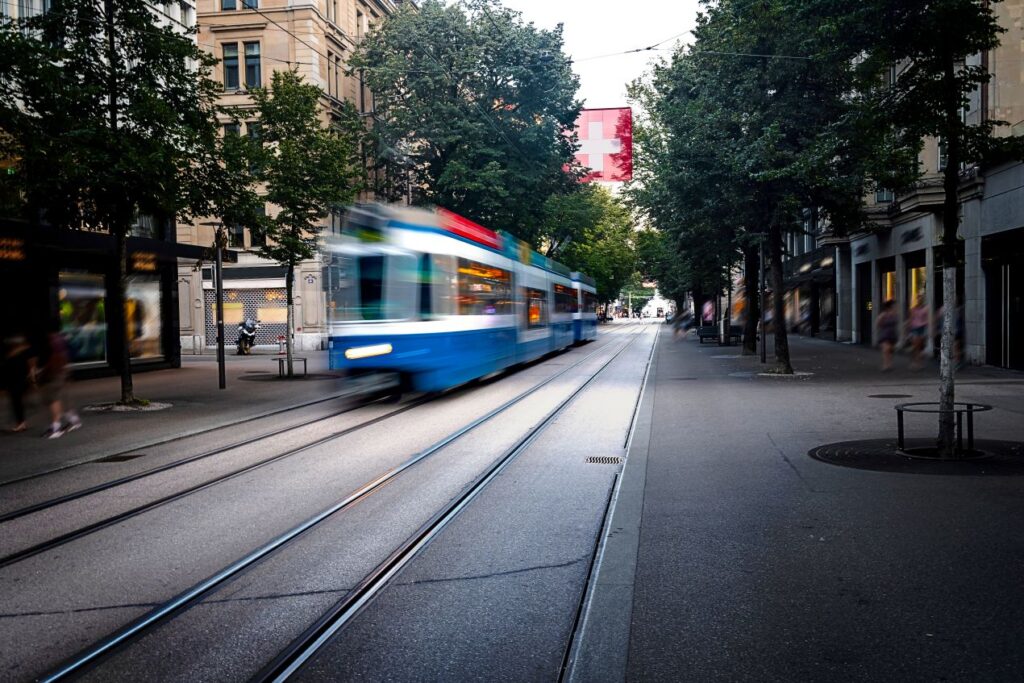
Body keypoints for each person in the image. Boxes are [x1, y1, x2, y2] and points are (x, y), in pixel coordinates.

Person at [36, 331, 81, 439]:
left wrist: (44, 372)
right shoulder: (57, 338)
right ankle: (73, 421)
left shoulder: (52, 341)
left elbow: (55, 358)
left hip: (55, 373)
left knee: (53, 399)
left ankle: (56, 428)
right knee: (59, 398)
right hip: (59, 372)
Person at [2, 330, 35, 432]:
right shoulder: (20, 351)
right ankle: (21, 422)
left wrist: (33, 379)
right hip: (15, 379)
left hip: (17, 379)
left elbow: (31, 364)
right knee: (16, 401)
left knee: (16, 401)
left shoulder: (19, 352)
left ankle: (21, 423)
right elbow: (31, 364)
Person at [906, 299, 929, 370]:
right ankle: (915, 363)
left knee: (920, 347)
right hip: (914, 328)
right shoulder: (913, 309)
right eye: (919, 300)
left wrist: (927, 326)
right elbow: (910, 319)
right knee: (916, 347)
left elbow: (926, 318)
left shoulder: (925, 309)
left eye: (921, 300)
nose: (920, 302)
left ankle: (918, 363)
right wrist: (908, 330)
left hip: (922, 328)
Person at [876, 300, 898, 371]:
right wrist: (882, 327)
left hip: (892, 333)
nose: (894, 307)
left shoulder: (894, 314)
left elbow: (896, 322)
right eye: (893, 306)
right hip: (885, 333)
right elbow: (878, 323)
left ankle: (889, 364)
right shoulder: (883, 314)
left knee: (891, 350)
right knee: (886, 349)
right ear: (889, 307)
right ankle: (885, 365)